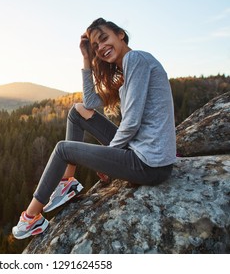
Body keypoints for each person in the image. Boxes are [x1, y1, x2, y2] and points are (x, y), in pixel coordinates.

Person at [12, 17, 177, 239]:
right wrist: (86, 58)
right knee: (76, 111)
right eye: (96, 46)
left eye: (104, 38)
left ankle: (30, 218)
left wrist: (111, 157)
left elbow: (131, 123)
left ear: (120, 35)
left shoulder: (135, 59)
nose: (101, 47)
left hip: (150, 164)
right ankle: (67, 184)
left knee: (63, 149)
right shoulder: (127, 72)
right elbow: (89, 102)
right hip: (140, 151)